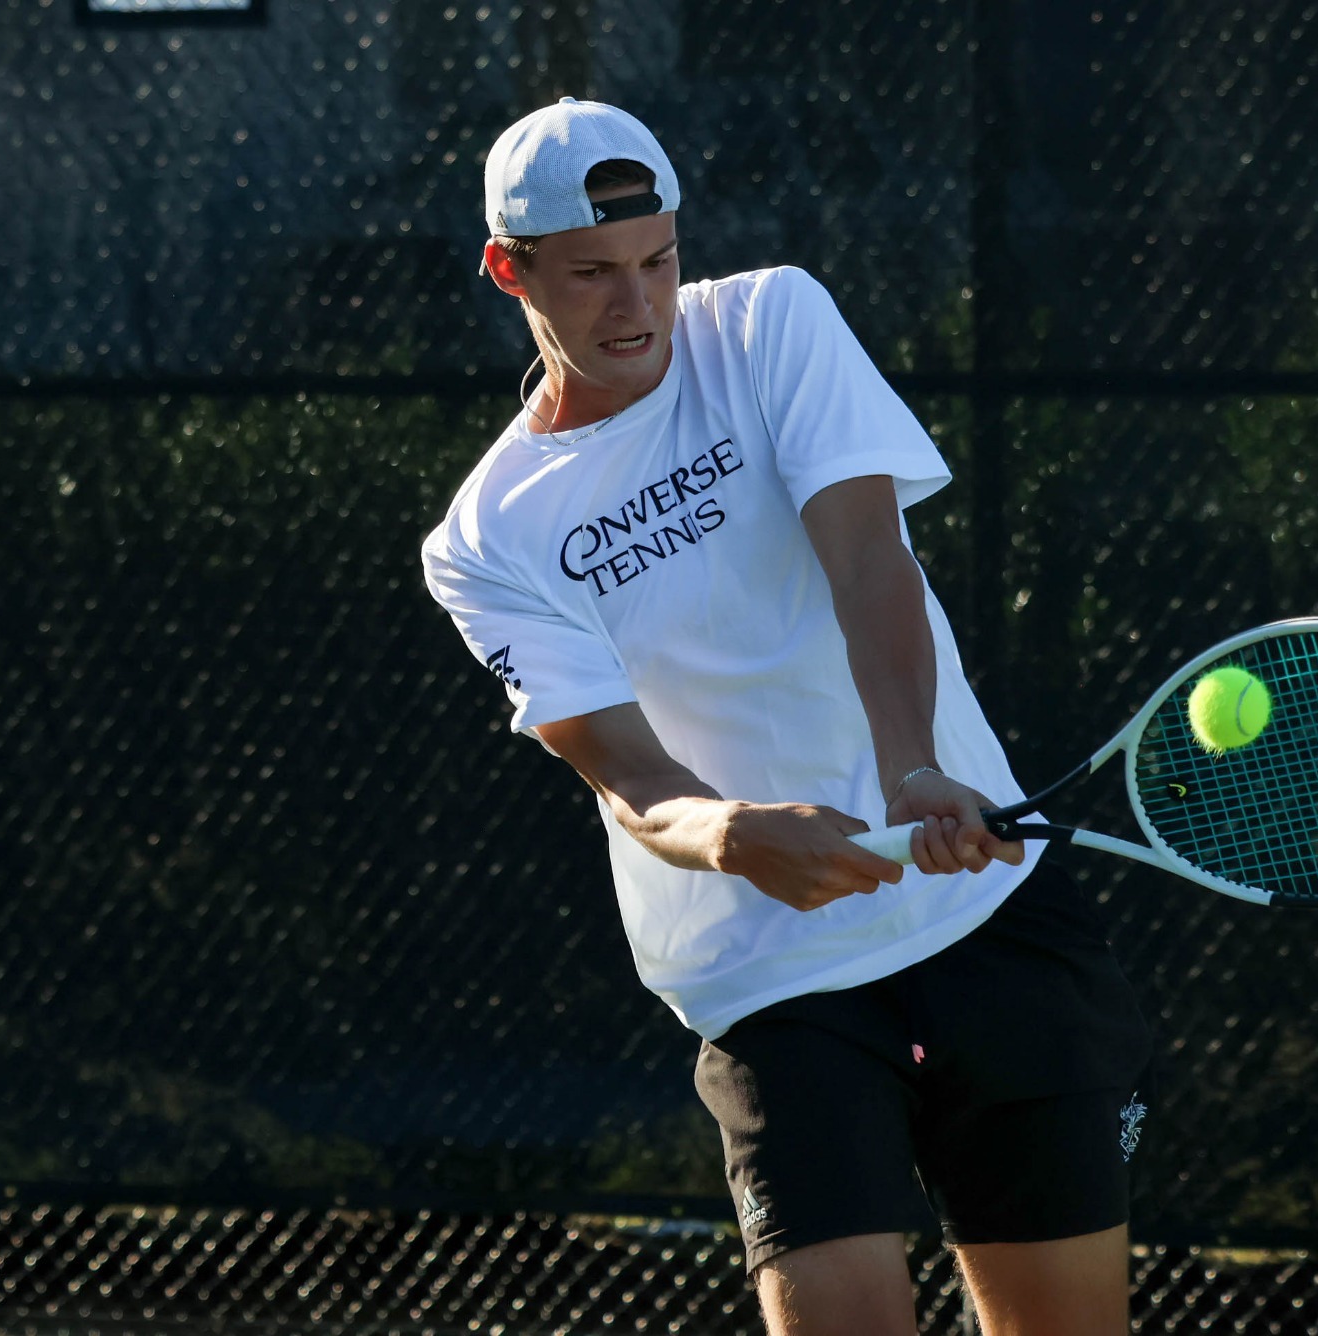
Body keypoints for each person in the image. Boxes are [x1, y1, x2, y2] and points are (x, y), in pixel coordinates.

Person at [422, 97, 1150, 1336]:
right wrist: (735, 834)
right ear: (510, 269)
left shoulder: (768, 321)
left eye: (655, 258)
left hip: (979, 916)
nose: (635, 303)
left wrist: (911, 766)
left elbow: (868, 558)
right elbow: (626, 776)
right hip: (769, 978)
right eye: (591, 274)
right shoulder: (484, 536)